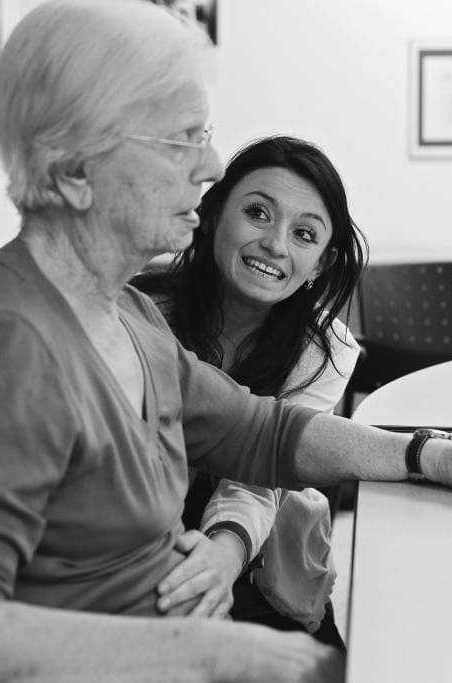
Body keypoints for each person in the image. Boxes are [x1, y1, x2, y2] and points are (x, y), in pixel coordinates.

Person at [0, 2, 452, 682]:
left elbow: (264, 431)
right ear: (74, 172)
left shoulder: (126, 313)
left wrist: (441, 456)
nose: (212, 163)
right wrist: (219, 652)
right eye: (180, 139)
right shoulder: (10, 347)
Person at [133, 135, 366, 648]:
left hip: (256, 563)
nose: (276, 244)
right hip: (134, 555)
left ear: (323, 263)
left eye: (304, 234)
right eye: (258, 213)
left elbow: (263, 478)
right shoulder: (140, 310)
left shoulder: (325, 350)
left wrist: (223, 556)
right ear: (214, 216)